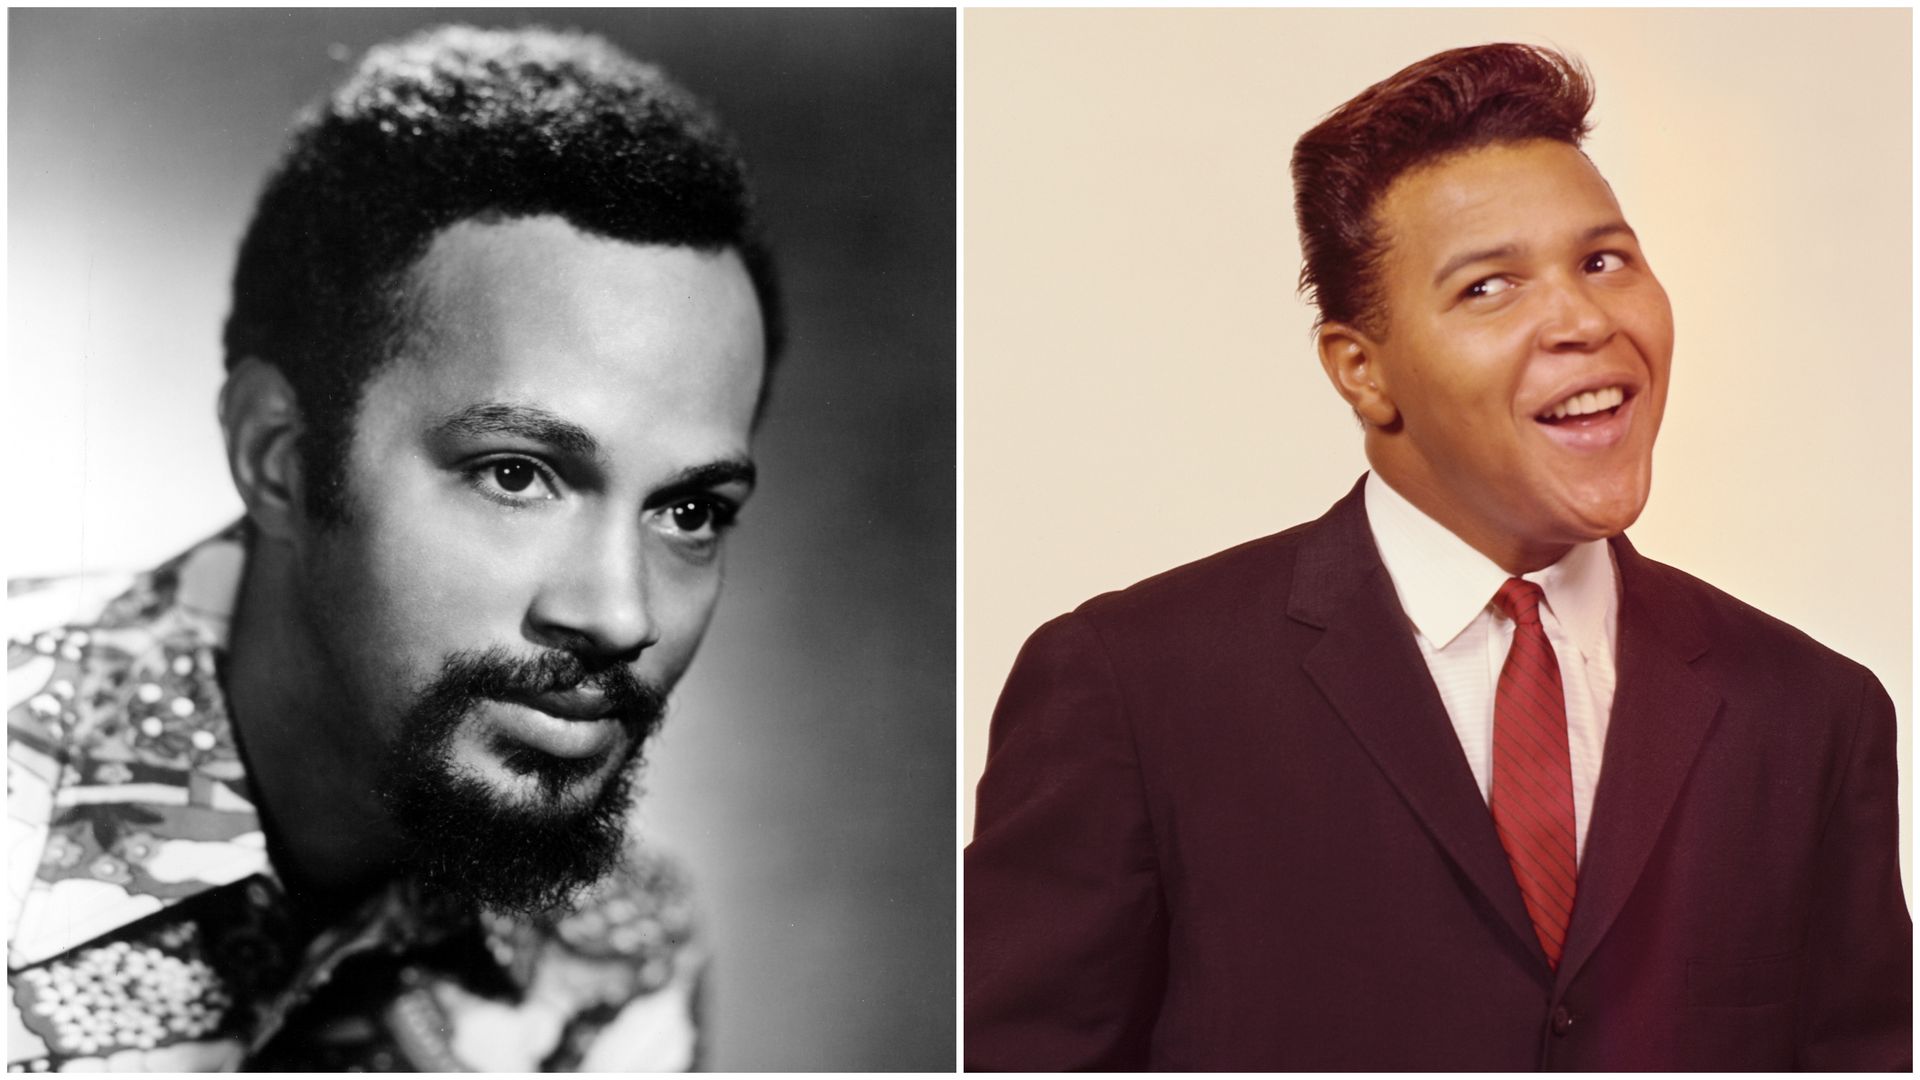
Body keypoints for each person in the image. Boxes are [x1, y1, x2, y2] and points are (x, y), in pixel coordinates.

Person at [964, 43, 1910, 1070]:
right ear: (1362, 373)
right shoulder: (1132, 688)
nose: (1586, 322)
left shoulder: (1814, 713)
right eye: (1489, 287)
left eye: (1604, 261)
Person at [7, 24, 777, 1071]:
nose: (619, 613)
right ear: (277, 457)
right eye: (516, 475)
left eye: (688, 512)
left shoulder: (623, 949)